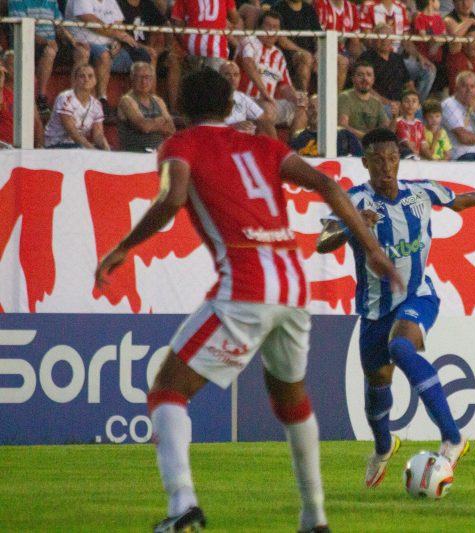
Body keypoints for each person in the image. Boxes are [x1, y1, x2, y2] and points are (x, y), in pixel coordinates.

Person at [95, 68, 402, 533]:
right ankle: (315, 518)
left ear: (181, 105)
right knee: (291, 401)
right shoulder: (264, 145)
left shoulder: (181, 145)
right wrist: (373, 250)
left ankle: (182, 509)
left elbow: (173, 197)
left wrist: (123, 246)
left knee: (166, 390)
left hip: (246, 282)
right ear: (228, 106)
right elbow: (328, 185)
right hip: (292, 284)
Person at [316, 127, 475, 489]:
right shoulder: (354, 200)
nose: (386, 167)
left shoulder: (419, 193)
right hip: (374, 310)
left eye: (392, 159)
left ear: (398, 160)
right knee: (377, 388)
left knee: (401, 346)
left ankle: (453, 437)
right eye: (377, 160)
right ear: (365, 163)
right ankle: (383, 448)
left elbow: (458, 201)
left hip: (418, 293)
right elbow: (322, 242)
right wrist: (354, 228)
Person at [65, 0, 150, 116]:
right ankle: (101, 99)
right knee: (104, 55)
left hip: (110, 43)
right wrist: (116, 35)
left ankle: (139, 104)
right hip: (84, 42)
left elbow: (119, 22)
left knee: (143, 56)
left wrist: (117, 41)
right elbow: (90, 20)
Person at [8, 0, 85, 114]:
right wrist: (46, 42)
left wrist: (74, 41)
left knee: (82, 52)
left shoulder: (51, 1)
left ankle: (75, 98)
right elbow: (22, 29)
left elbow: (59, 27)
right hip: (26, 42)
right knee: (50, 51)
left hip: (51, 42)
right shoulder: (17, 1)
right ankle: (41, 97)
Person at [235, 11, 306, 134]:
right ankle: (278, 151)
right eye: (268, 26)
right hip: (245, 100)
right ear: (259, 28)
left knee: (302, 107)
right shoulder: (249, 41)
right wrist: (266, 94)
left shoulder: (278, 55)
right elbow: (248, 64)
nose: (271, 30)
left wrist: (297, 97)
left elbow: (284, 86)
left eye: (275, 27)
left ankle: (295, 147)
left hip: (270, 103)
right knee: (267, 109)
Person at [360, 0, 437, 101]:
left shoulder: (401, 8)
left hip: (397, 59)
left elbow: (406, 40)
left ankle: (415, 106)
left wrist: (420, 57)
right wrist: (383, 53)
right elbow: (366, 38)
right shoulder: (369, 6)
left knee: (428, 70)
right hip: (376, 59)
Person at [44, 64, 110, 149]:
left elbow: (98, 135)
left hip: (77, 145)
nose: (86, 79)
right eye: (82, 76)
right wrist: (92, 150)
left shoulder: (96, 105)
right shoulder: (65, 98)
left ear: (95, 81)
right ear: (75, 80)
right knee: (80, 149)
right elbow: (72, 132)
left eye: (90, 76)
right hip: (55, 144)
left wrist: (107, 149)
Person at [359, 23, 414, 121]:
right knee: (390, 112)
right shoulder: (366, 58)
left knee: (418, 110)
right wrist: (388, 102)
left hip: (400, 102)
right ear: (374, 39)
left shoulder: (397, 58)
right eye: (381, 37)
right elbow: (365, 87)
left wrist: (409, 101)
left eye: (387, 37)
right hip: (379, 103)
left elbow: (409, 83)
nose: (384, 40)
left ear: (392, 40)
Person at [116, 61, 175, 152]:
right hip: (134, 154)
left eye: (147, 77)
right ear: (132, 78)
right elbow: (144, 127)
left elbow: (171, 129)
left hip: (156, 153)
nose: (144, 81)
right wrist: (160, 120)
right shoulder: (127, 100)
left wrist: (150, 124)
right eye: (139, 77)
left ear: (152, 79)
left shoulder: (158, 101)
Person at [271, 0, 322, 92]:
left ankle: (334, 101)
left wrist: (318, 53)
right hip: (288, 54)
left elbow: (319, 36)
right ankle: (302, 100)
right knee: (305, 58)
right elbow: (282, 40)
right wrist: (303, 52)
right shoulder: (278, 8)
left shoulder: (309, 9)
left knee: (341, 61)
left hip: (311, 53)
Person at [290, 94, 364, 156]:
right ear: (306, 112)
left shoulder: (345, 136)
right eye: (311, 108)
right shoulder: (298, 137)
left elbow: (358, 162)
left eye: (320, 107)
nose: (316, 111)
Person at [219, 60, 276, 136]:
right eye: (227, 74)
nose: (232, 78)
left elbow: (265, 120)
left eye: (236, 75)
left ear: (240, 78)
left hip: (243, 141)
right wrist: (233, 126)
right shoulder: (212, 97)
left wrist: (276, 145)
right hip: (221, 139)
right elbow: (208, 127)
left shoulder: (242, 97)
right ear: (219, 76)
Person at [338, 61, 391, 140]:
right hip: (351, 145)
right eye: (360, 75)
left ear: (373, 80)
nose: (365, 78)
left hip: (372, 146)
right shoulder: (344, 97)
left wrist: (394, 117)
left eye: (369, 75)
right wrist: (367, 137)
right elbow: (342, 125)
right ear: (353, 79)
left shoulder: (376, 102)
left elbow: (386, 127)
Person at [394, 89, 428, 158]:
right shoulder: (398, 122)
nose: (410, 104)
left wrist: (433, 159)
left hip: (417, 158)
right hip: (403, 158)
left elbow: (423, 146)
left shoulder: (420, 124)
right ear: (400, 105)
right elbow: (406, 143)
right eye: (406, 101)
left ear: (419, 106)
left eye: (414, 101)